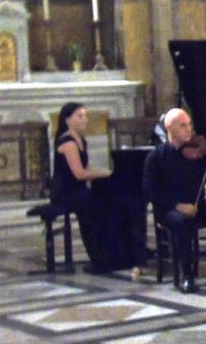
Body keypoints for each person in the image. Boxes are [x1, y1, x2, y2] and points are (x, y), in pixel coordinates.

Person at [50, 102, 140, 273]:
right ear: (68, 120)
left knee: (106, 203)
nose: (85, 119)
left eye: (85, 115)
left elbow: (88, 168)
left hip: (78, 190)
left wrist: (107, 173)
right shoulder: (67, 142)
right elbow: (79, 173)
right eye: (80, 116)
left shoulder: (81, 140)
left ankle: (115, 255)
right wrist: (106, 174)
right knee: (93, 207)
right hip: (65, 192)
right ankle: (99, 258)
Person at [143, 108, 206, 292]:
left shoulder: (197, 154)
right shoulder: (156, 157)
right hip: (169, 210)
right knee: (183, 222)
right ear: (169, 128)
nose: (189, 130)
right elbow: (151, 191)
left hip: (198, 206)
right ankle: (187, 274)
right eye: (183, 125)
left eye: (189, 125)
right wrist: (178, 206)